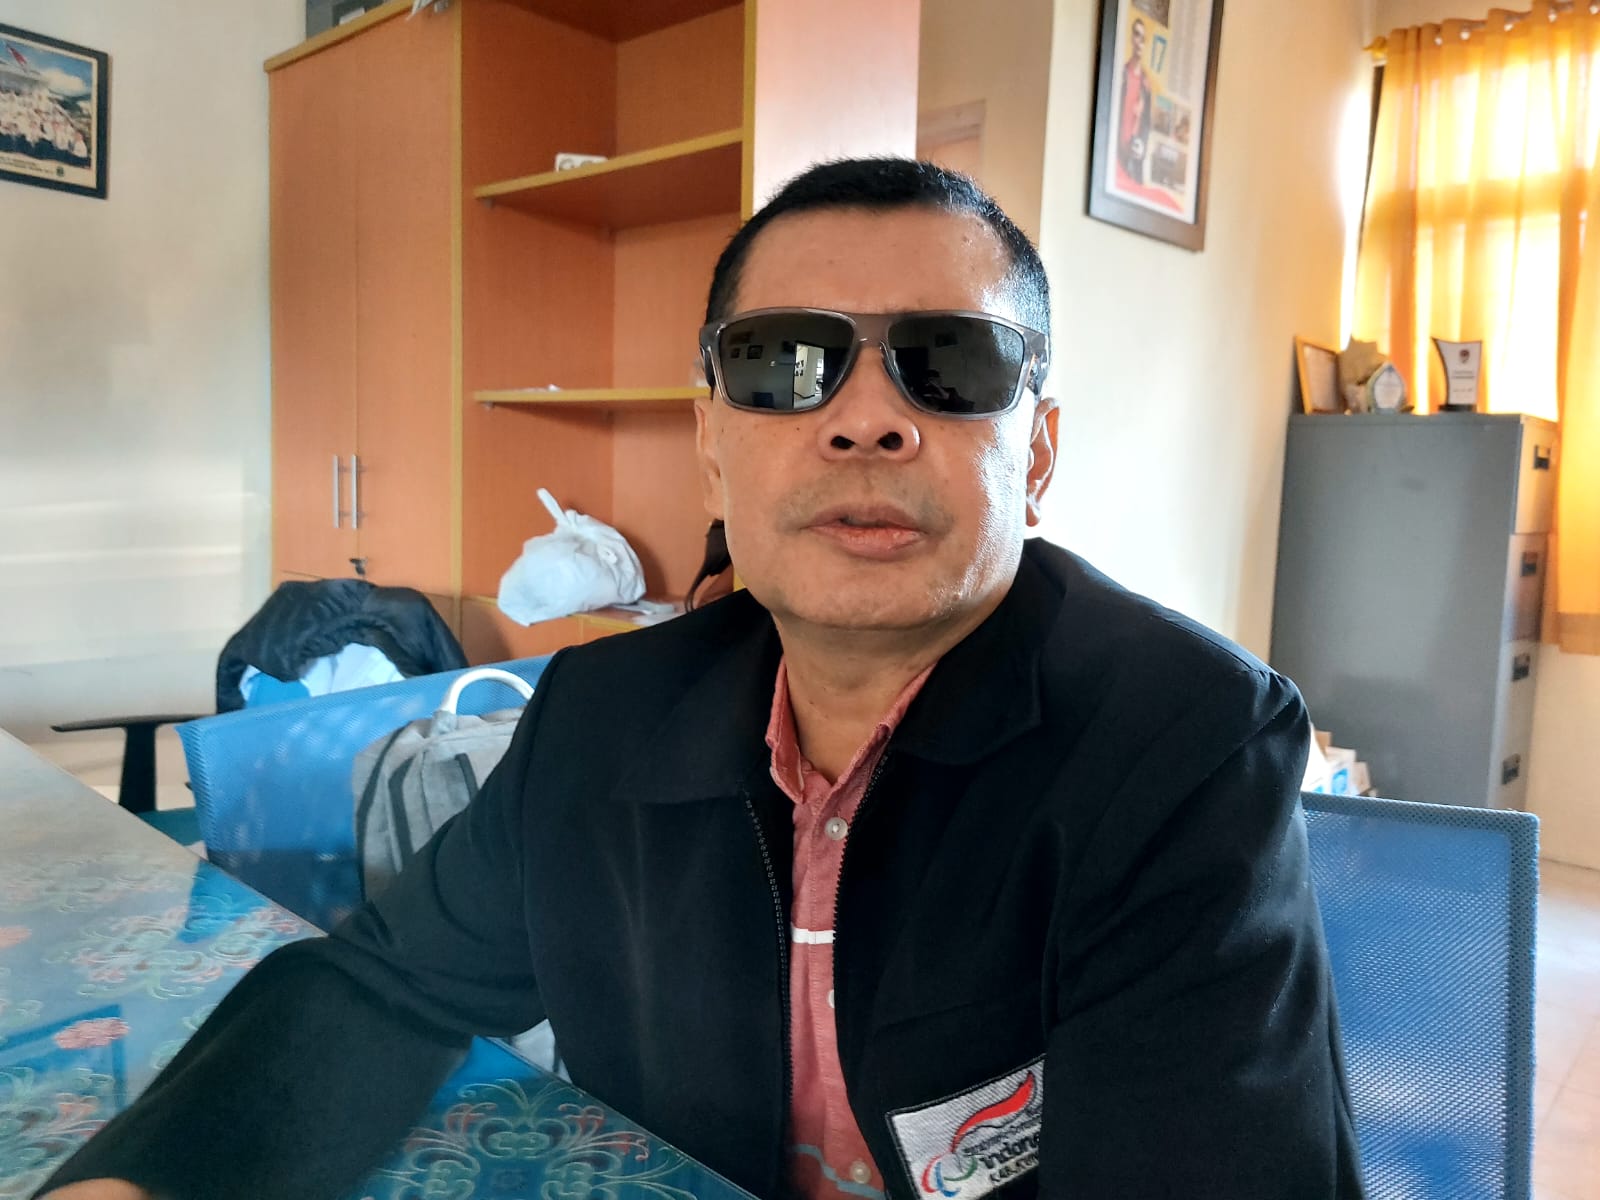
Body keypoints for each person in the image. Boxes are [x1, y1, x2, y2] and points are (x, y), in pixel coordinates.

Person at [41, 159, 1362, 1200]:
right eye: (786, 364)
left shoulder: (1182, 744)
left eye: (951, 363)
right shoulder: (601, 716)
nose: (864, 418)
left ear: (1039, 455)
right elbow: (380, 990)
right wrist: (146, 1181)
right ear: (713, 449)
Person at [1116, 18, 1153, 185]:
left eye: (1143, 38)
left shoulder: (1146, 85)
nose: (1140, 42)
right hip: (1117, 154)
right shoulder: (1121, 75)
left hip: (1133, 160)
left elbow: (1146, 122)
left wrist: (1142, 144)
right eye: (1137, 35)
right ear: (1132, 38)